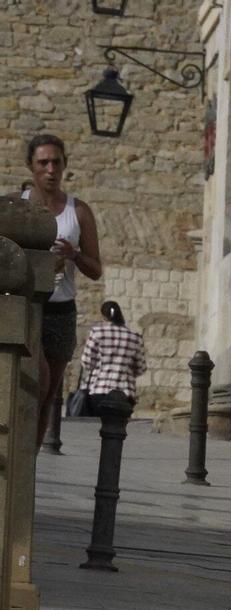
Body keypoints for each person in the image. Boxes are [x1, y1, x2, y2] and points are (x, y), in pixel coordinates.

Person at [21, 136, 105, 451]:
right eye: (43, 162)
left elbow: (96, 269)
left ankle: (29, 461)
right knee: (37, 382)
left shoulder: (78, 212)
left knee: (48, 394)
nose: (51, 169)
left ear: (65, 165)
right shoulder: (18, 205)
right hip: (27, 305)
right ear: (31, 166)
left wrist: (73, 254)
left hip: (60, 310)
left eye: (57, 162)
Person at [76, 300, 144, 413]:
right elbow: (140, 367)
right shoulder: (134, 337)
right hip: (125, 392)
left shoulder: (97, 333)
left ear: (104, 316)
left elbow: (87, 362)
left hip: (99, 389)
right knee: (120, 427)